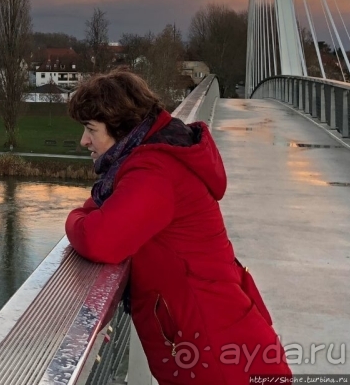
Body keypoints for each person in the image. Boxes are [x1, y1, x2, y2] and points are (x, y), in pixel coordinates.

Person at [65, 70, 291, 385]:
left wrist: (73, 218)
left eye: (91, 129)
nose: (84, 140)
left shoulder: (153, 172)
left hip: (218, 359)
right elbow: (109, 212)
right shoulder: (152, 160)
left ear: (123, 128)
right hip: (223, 344)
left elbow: (98, 239)